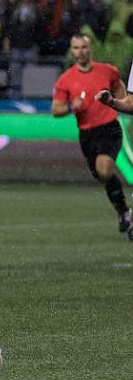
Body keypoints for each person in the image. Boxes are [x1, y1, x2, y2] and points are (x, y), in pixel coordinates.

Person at [51, 33, 131, 238]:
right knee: (101, 176)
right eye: (76, 48)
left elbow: (120, 88)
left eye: (84, 47)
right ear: (71, 51)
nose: (80, 52)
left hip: (109, 128)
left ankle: (126, 214)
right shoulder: (65, 79)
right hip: (87, 134)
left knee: (103, 171)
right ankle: (124, 212)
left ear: (90, 49)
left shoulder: (107, 71)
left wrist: (121, 103)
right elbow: (55, 109)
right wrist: (71, 107)